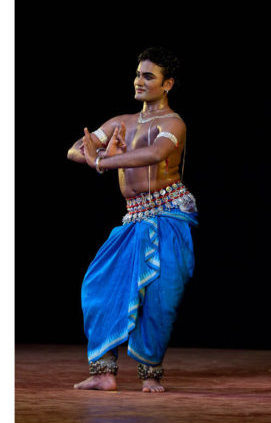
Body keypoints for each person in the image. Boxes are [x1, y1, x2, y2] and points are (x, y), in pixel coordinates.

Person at [67, 47, 198, 393]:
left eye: (148, 76)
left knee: (160, 297)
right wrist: (98, 154)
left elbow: (155, 154)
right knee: (99, 285)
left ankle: (150, 373)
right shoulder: (119, 122)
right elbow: (75, 148)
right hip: (135, 217)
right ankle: (103, 372)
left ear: (167, 83)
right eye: (138, 74)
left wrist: (104, 161)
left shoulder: (174, 123)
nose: (139, 81)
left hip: (169, 214)